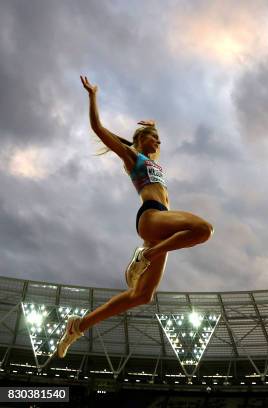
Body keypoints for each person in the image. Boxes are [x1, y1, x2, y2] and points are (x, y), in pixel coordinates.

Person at [56, 76, 214, 358]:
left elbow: (152, 137)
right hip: (152, 216)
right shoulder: (133, 157)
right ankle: (146, 255)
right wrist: (93, 95)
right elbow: (97, 127)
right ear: (141, 140)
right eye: (154, 137)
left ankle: (78, 326)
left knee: (142, 296)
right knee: (203, 229)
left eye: (159, 138)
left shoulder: (153, 162)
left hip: (162, 227)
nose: (159, 141)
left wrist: (154, 125)